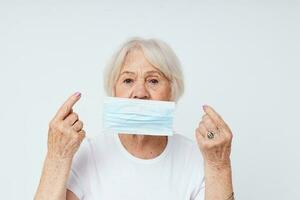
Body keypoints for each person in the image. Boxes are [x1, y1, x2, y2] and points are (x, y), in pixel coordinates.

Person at [34, 38, 234, 200]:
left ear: (172, 92)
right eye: (128, 80)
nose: (139, 93)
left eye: (153, 80)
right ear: (113, 91)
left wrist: (219, 165)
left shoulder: (196, 159)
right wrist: (57, 156)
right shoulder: (88, 155)